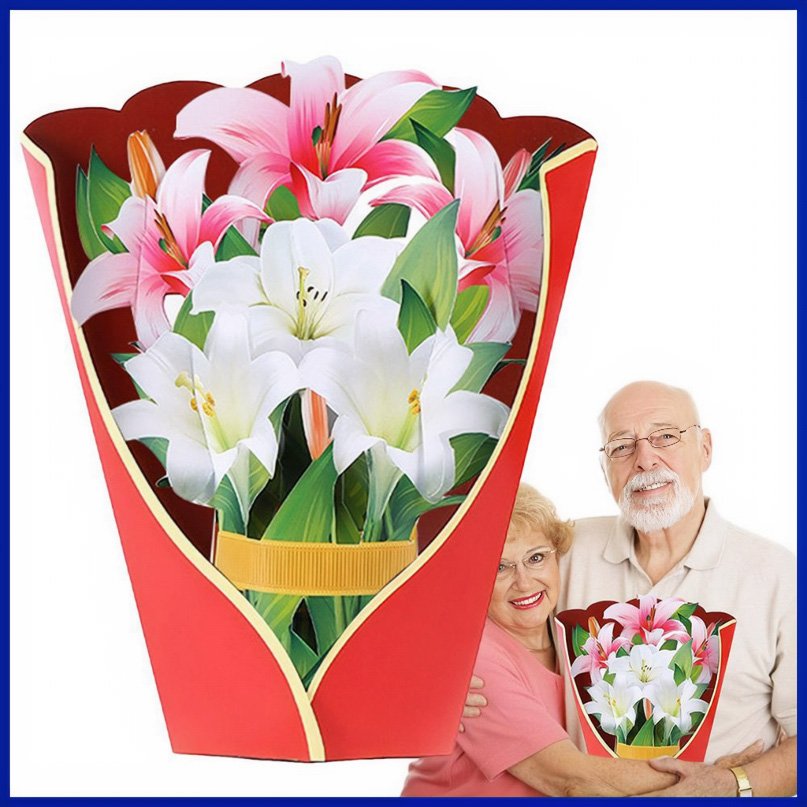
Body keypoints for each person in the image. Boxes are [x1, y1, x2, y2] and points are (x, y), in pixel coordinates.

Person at [466, 380, 796, 796]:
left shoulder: (777, 574)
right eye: (622, 446)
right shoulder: (563, 553)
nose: (644, 459)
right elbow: (464, 596)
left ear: (706, 448)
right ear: (603, 468)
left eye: (666, 437)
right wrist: (439, 688)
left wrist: (736, 783)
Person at [402, 483, 729, 797]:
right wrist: (718, 779)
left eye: (536, 558)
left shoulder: (572, 638)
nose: (524, 582)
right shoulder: (476, 656)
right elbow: (572, 780)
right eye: (499, 567)